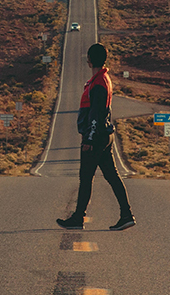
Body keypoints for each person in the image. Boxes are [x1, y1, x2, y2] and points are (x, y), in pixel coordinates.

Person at [56, 43, 135, 230]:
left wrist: (89, 139)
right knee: (111, 176)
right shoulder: (103, 79)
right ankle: (126, 214)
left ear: (89, 60)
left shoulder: (99, 83)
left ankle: (78, 218)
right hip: (104, 135)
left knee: (86, 177)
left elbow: (96, 113)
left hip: (97, 136)